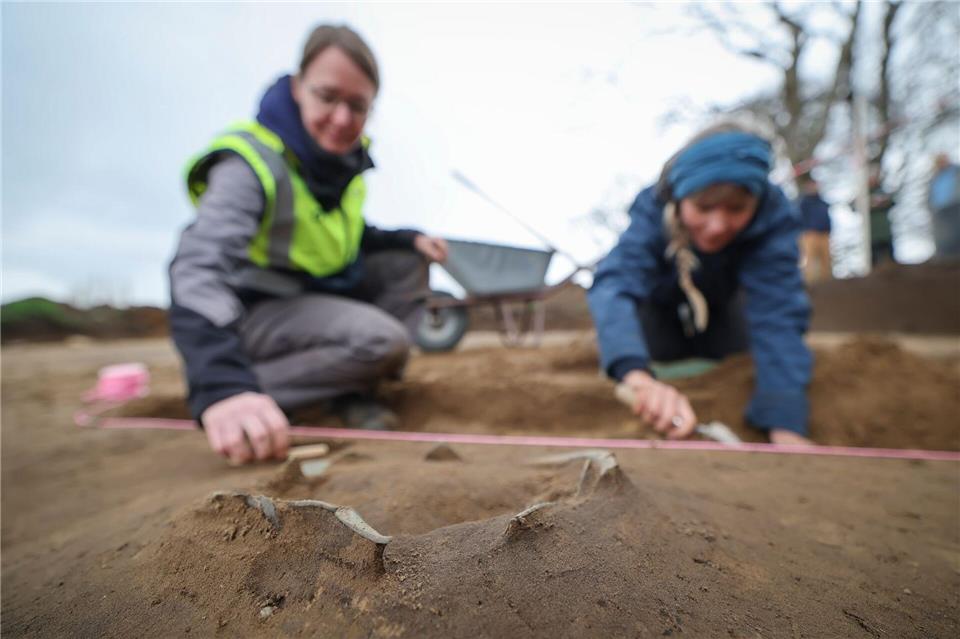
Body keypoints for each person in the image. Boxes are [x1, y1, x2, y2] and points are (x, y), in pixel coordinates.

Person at [168, 25, 448, 465]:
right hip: (256, 313)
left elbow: (353, 235)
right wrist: (222, 383)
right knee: (382, 342)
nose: (342, 118)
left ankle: (352, 386)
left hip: (313, 299)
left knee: (402, 260)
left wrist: (411, 238)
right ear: (298, 87)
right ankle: (253, 389)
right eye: (327, 96)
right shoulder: (252, 162)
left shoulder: (343, 169)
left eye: (358, 106)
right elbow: (197, 269)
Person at [588, 123, 814, 446]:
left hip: (723, 303)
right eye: (704, 208)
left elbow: (779, 310)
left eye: (736, 209)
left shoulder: (774, 217)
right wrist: (638, 378)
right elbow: (614, 283)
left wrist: (786, 423)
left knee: (739, 354)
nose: (717, 226)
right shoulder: (652, 207)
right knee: (648, 349)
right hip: (659, 303)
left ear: (756, 202)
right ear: (679, 200)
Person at [795, 174, 832, 284]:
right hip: (809, 235)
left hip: (824, 234)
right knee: (809, 261)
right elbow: (798, 218)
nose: (814, 187)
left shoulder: (822, 202)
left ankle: (828, 284)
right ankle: (809, 283)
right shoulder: (803, 202)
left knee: (826, 261)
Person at [928, 154, 960, 259]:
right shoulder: (935, 176)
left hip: (955, 205)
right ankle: (944, 255)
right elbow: (930, 194)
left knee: (956, 231)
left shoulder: (956, 171)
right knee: (943, 234)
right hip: (939, 209)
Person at [867, 165, 896, 266]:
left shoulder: (882, 191)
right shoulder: (863, 194)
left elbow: (892, 201)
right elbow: (853, 206)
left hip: (885, 234)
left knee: (890, 260)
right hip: (871, 236)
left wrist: (881, 203)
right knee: (874, 262)